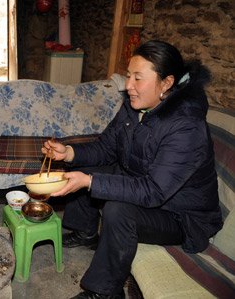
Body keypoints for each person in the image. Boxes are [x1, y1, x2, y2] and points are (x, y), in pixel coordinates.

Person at [42, 40, 223, 299]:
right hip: (145, 183)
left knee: (117, 208)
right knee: (88, 167)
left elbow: (153, 192)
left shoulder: (187, 127)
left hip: (182, 215)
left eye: (138, 78)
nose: (128, 86)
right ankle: (85, 232)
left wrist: (90, 181)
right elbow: (106, 147)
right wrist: (69, 152)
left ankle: (105, 293)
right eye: (128, 76)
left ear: (167, 83)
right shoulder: (134, 105)